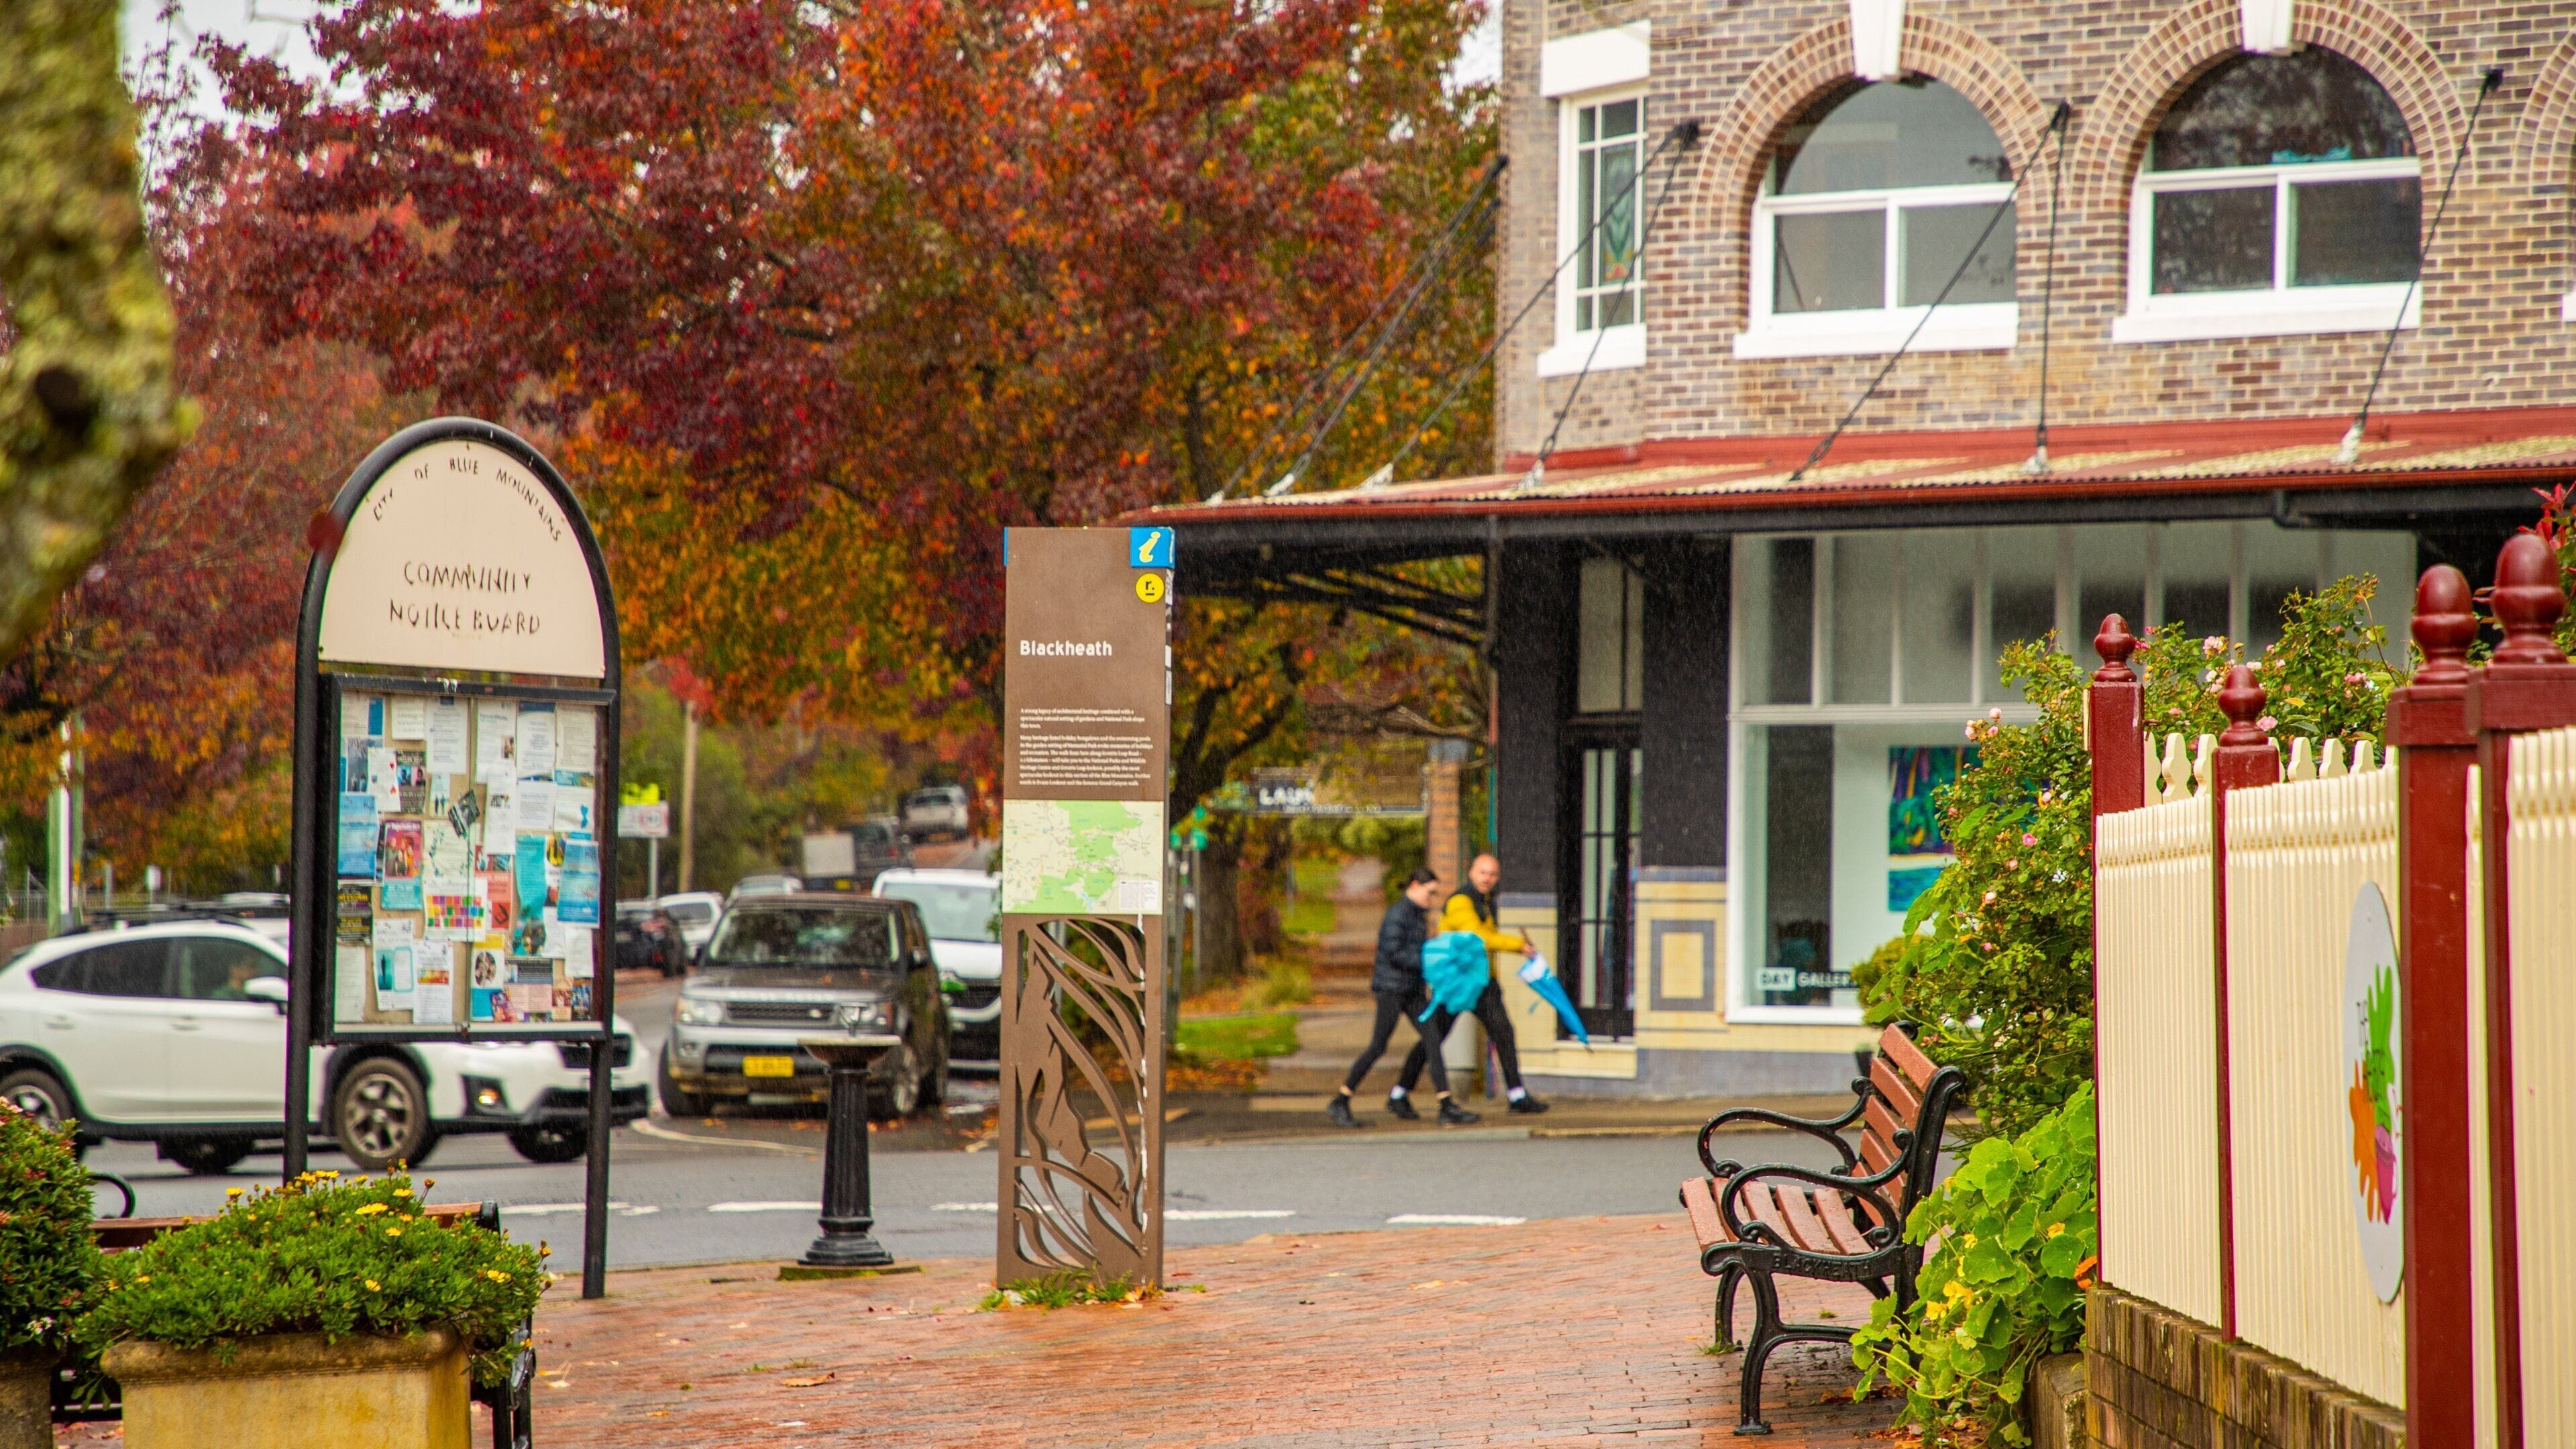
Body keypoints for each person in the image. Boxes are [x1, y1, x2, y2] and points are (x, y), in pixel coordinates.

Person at [1391, 853, 1550, 1117]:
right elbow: (1479, 938)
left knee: (1504, 1034)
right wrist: (1517, 946)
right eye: (1483, 872)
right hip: (1458, 984)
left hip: (1481, 984)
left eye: (1493, 874)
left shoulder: (1483, 902)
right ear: (1471, 873)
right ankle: (1399, 1093)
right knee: (1433, 1037)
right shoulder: (1461, 902)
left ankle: (1517, 1095)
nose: (1487, 878)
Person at [1328, 867, 1482, 1128]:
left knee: (1433, 1040)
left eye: (1434, 895)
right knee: (1378, 1046)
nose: (1431, 899)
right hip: (1391, 990)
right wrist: (1429, 963)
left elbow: (1415, 952)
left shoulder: (1417, 916)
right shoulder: (1398, 914)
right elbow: (1394, 953)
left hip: (1412, 992)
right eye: (1429, 893)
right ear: (1414, 886)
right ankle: (1341, 1100)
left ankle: (1446, 1106)